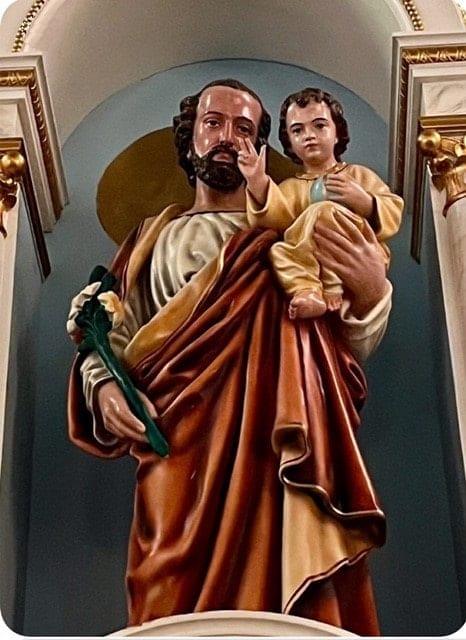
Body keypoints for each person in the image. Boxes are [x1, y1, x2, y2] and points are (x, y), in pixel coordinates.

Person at [67, 79, 392, 636]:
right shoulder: (151, 237)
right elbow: (111, 331)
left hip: (279, 424)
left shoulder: (288, 230)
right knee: (167, 590)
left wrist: (369, 291)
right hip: (177, 430)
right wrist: (104, 385)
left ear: (261, 149)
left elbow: (341, 342)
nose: (227, 138)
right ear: (189, 136)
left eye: (245, 129)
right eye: (213, 123)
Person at [238, 87, 403, 319]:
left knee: (323, 210)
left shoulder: (357, 175)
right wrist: (257, 181)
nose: (309, 135)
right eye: (298, 130)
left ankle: (332, 285)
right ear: (289, 141)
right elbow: (276, 220)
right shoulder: (291, 187)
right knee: (278, 251)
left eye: (319, 125)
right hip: (311, 259)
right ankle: (308, 291)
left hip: (355, 256)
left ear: (337, 133)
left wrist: (365, 202)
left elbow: (393, 208)